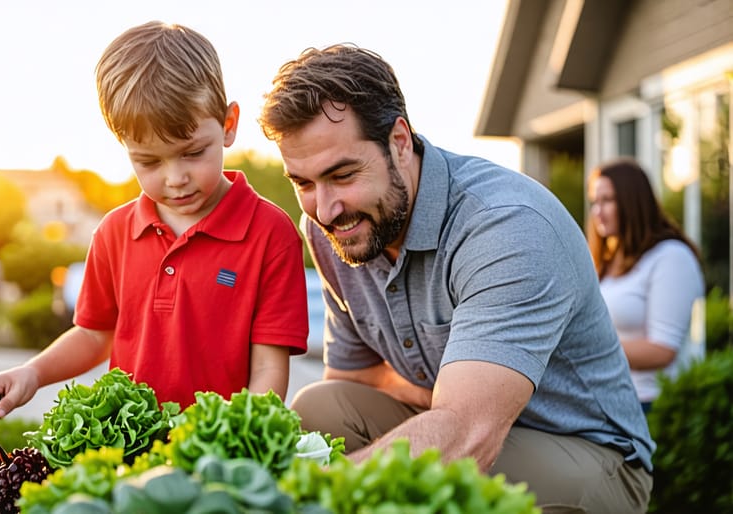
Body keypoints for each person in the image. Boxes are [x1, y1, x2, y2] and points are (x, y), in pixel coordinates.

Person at [258, 44, 654, 513]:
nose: (325, 209)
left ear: (399, 142)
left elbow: (468, 436)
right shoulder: (336, 228)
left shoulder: (506, 226)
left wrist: (307, 496)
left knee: (450, 455)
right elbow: (355, 378)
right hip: (461, 420)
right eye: (303, 183)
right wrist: (444, 403)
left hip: (590, 454)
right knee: (322, 408)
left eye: (342, 174)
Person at [0, 21, 308, 430]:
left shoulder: (271, 233)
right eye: (148, 161)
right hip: (127, 454)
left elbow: (269, 370)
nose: (175, 177)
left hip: (219, 460)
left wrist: (238, 439)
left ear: (229, 124)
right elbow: (94, 335)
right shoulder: (114, 232)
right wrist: (32, 373)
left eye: (193, 152)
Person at [587, 158, 704, 413]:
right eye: (595, 202)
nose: (598, 211)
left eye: (607, 201)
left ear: (632, 202)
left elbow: (662, 351)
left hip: (654, 405)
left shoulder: (671, 257)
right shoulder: (607, 262)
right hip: (608, 401)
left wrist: (584, 348)